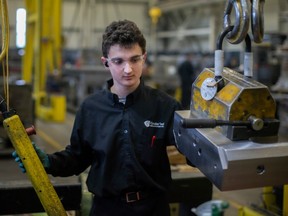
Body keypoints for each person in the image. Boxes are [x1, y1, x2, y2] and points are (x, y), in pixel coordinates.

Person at [13, 20, 181, 216]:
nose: (128, 69)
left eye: (134, 60)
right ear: (106, 62)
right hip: (106, 209)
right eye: (119, 61)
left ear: (144, 58)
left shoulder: (165, 106)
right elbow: (78, 158)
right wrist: (47, 162)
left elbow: (193, 153)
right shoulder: (90, 108)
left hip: (154, 209)